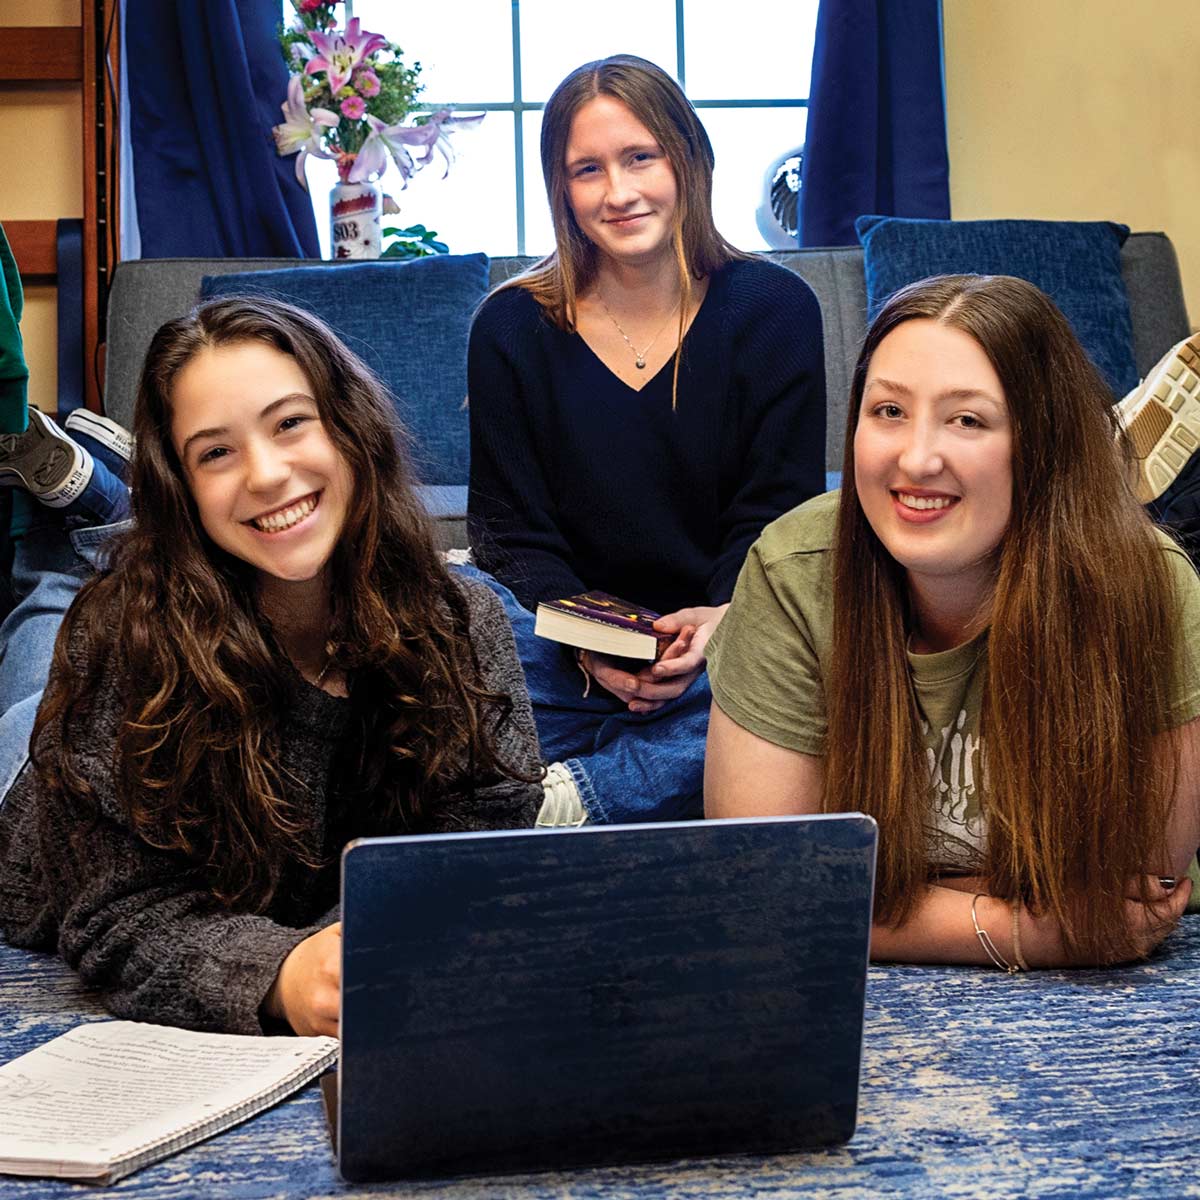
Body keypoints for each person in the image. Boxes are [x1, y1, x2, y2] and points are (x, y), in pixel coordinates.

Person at [0, 296, 543, 1036]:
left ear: (350, 427)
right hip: (41, 820)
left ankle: (81, 516)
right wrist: (278, 976)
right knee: (36, 680)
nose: (266, 473)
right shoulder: (118, 646)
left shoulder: (460, 618)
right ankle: (66, 535)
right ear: (181, 488)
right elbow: (119, 915)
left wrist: (355, 938)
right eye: (215, 452)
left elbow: (483, 834)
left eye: (291, 423)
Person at [704, 273, 1200, 969]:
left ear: (1043, 446)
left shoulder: (1151, 584)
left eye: (967, 419)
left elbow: (1137, 892)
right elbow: (762, 888)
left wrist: (861, 898)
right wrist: (1026, 925)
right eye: (888, 412)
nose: (916, 459)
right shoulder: (793, 569)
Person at [465, 54, 826, 826]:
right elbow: (510, 536)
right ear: (561, 189)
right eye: (587, 169)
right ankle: (665, 768)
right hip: (561, 649)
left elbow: (777, 513)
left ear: (688, 159)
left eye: (640, 157)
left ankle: (569, 796)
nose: (619, 192)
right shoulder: (510, 326)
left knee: (830, 670)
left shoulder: (776, 308)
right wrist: (595, 645)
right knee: (446, 634)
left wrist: (722, 619)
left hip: (732, 641)